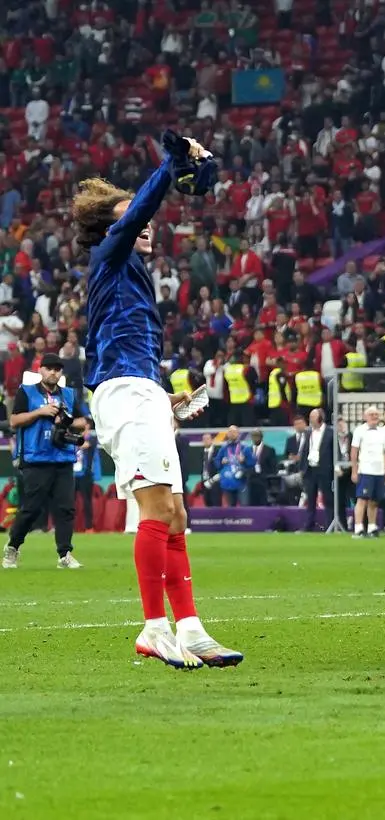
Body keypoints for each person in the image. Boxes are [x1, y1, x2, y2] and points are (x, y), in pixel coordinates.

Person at [73, 136, 241, 669]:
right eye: (131, 217)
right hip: (123, 392)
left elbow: (121, 342)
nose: (146, 224)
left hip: (139, 388)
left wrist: (164, 394)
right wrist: (171, 168)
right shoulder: (109, 252)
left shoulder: (128, 272)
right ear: (112, 227)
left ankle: (189, 627)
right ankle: (153, 628)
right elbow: (138, 212)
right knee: (154, 506)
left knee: (174, 512)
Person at [2, 354, 89, 570]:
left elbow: (82, 421)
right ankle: (13, 546)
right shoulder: (27, 392)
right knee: (31, 508)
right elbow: (14, 420)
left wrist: (66, 419)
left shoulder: (68, 394)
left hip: (62, 457)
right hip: (36, 457)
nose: (53, 372)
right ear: (40, 370)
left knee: (66, 508)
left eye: (57, 370)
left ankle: (65, 553)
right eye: (49, 368)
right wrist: (41, 412)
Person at [350, 406, 385, 538]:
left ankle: (372, 527)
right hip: (365, 470)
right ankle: (358, 527)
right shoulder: (359, 431)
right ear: (365, 416)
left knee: (374, 500)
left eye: (376, 414)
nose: (374, 417)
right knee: (362, 499)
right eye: (371, 414)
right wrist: (354, 471)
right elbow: (354, 452)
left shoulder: (383, 432)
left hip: (379, 471)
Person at [300, 408, 336, 531]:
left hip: (324, 470)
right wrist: (302, 468)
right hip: (310, 469)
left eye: (312, 417)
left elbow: (334, 453)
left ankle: (329, 525)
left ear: (320, 418)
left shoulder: (330, 432)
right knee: (310, 499)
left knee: (328, 498)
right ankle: (309, 525)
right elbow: (305, 450)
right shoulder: (308, 433)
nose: (310, 420)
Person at [216, 425, 254, 507]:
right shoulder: (223, 448)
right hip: (228, 483)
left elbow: (252, 463)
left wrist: (244, 461)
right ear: (227, 434)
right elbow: (217, 463)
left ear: (238, 434)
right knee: (230, 509)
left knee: (244, 508)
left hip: (242, 483)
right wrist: (221, 462)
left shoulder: (245, 448)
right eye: (230, 432)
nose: (232, 434)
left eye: (234, 432)